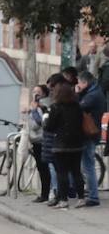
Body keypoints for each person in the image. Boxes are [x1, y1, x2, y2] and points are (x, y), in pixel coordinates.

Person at [43, 81, 84, 208]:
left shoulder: (56, 107)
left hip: (60, 145)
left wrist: (45, 120)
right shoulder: (77, 106)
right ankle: (81, 198)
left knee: (62, 173)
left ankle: (63, 200)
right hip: (77, 144)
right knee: (76, 171)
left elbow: (49, 127)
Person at [75, 70, 104, 207]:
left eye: (79, 83)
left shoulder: (92, 95)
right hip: (90, 133)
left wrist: (77, 93)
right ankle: (90, 192)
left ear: (85, 82)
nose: (78, 85)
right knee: (86, 165)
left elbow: (78, 107)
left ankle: (93, 196)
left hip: (88, 134)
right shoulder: (95, 91)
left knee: (88, 166)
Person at [26, 85, 52, 204]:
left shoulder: (43, 107)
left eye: (38, 92)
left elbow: (37, 124)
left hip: (41, 140)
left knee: (44, 169)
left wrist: (34, 110)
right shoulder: (35, 106)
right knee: (42, 169)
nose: (35, 94)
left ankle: (45, 194)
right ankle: (45, 193)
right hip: (35, 140)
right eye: (34, 91)